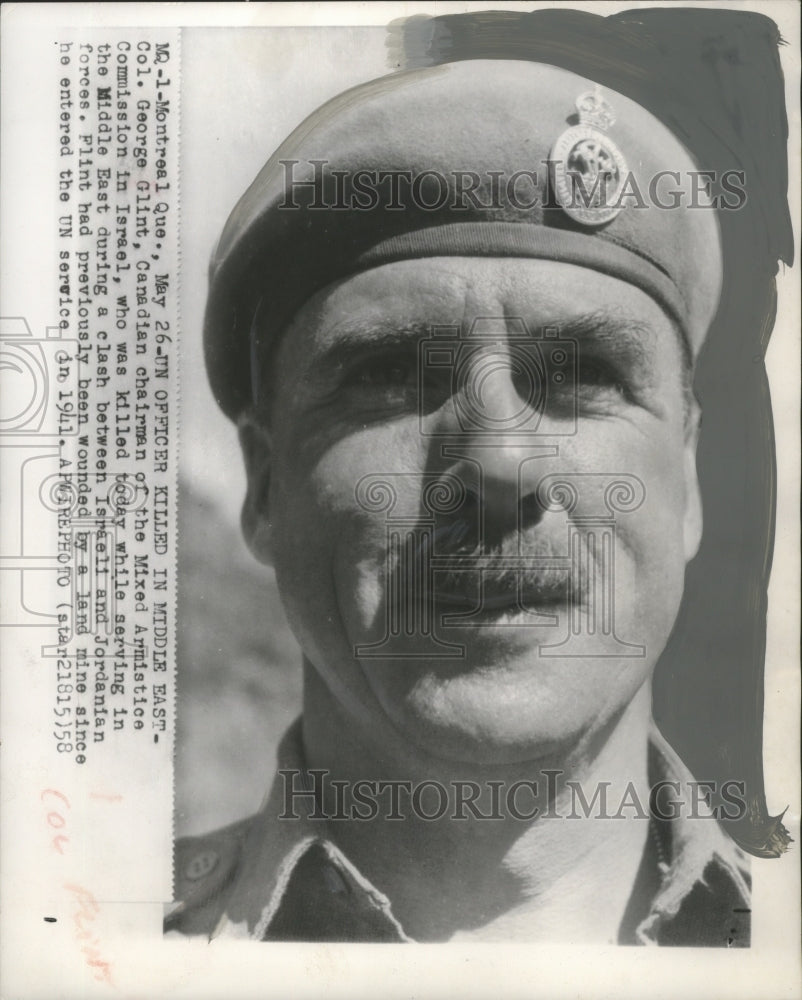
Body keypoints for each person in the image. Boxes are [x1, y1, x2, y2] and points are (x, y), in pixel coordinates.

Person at [166, 58, 753, 945]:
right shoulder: (75, 947)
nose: (502, 463)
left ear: (691, 472)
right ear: (265, 485)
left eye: (584, 375)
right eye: (389, 376)